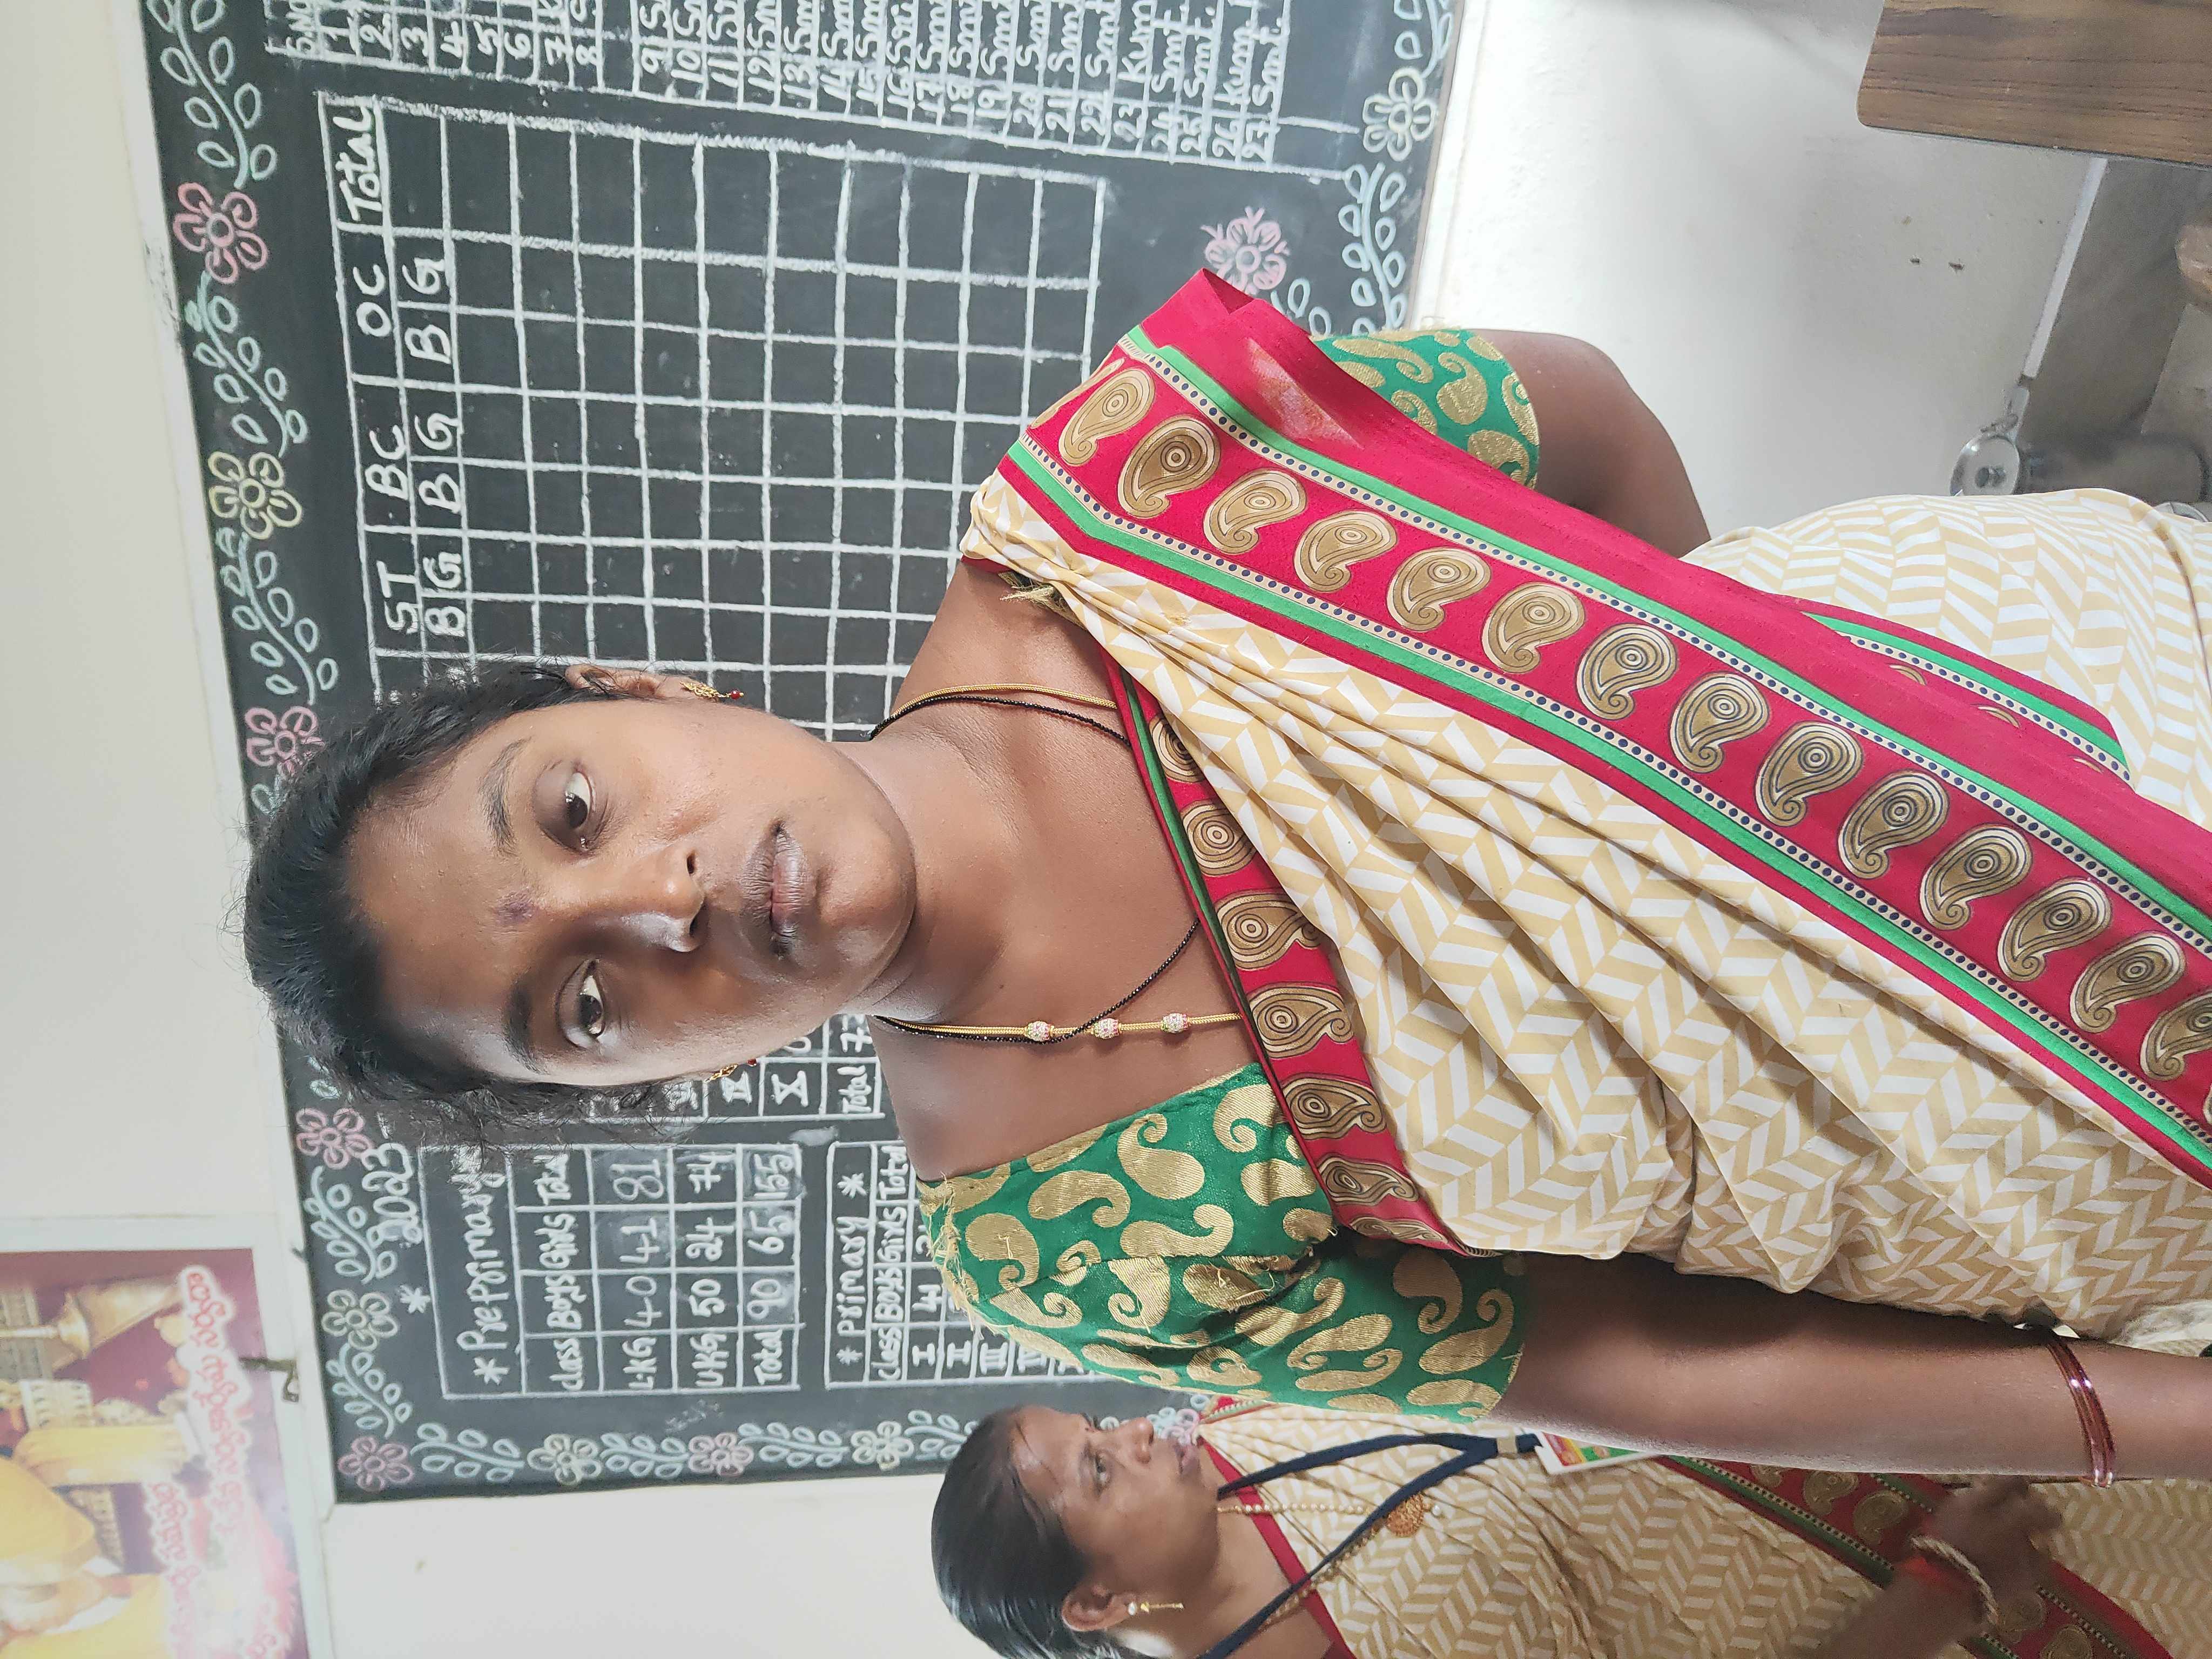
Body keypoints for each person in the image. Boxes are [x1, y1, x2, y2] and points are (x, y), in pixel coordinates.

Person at [245, 270, 2212, 1474]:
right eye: (584, 1008)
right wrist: (2157, 1426)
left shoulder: (1127, 495)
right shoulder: (1058, 1234)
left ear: (638, 689)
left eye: (570, 811)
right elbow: (1651, 1362)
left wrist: (1736, 773)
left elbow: (1586, 420)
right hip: (2100, 1195)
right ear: (643, 1086)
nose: (659, 907)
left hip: (2108, 684)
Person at [930, 1400, 2212, 1659]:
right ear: (1094, 1602)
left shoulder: (1239, 1424)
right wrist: (1942, 1590)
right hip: (1968, 1599)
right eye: (1096, 1469)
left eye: (1100, 1425)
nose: (1136, 1435)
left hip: (1876, 1435)